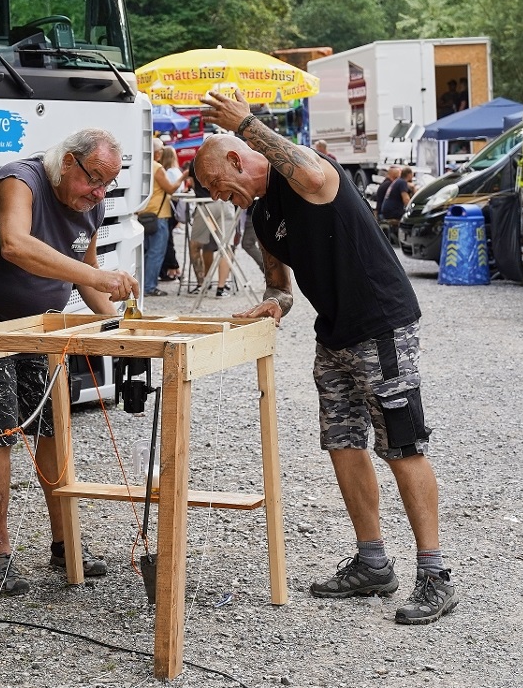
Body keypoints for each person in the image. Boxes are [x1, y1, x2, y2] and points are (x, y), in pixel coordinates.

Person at [195, 88, 457, 626]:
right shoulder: (261, 217)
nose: (226, 198)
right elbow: (280, 284)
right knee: (342, 442)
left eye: (223, 185)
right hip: (333, 335)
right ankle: (372, 561)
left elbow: (313, 178)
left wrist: (248, 123)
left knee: (402, 444)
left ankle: (434, 576)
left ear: (241, 159)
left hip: (381, 323)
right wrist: (272, 306)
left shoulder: (308, 172)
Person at [0, 128, 138, 597]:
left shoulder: (89, 203)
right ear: (69, 162)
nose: (100, 193)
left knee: (55, 428)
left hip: (41, 327)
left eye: (108, 184)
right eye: (94, 180)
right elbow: (15, 244)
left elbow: (88, 281)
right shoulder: (19, 181)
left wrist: (120, 328)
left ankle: (64, 542)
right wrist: (97, 274)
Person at [142, 143, 185, 296]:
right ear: (157, 153)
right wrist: (183, 177)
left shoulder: (143, 165)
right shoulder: (156, 167)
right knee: (156, 252)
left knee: (147, 252)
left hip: (145, 214)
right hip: (159, 216)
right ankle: (149, 286)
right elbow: (170, 189)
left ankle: (144, 284)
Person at [185, 168, 234, 297]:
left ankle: (202, 284)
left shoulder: (196, 161)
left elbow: (192, 183)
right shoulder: (225, 157)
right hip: (225, 203)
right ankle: (221, 288)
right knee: (225, 246)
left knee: (196, 245)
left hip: (204, 205)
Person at [159, 145, 184, 282]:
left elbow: (169, 189)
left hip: (168, 206)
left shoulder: (167, 172)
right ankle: (173, 267)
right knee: (168, 240)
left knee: (167, 241)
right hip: (176, 206)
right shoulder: (178, 171)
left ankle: (172, 267)